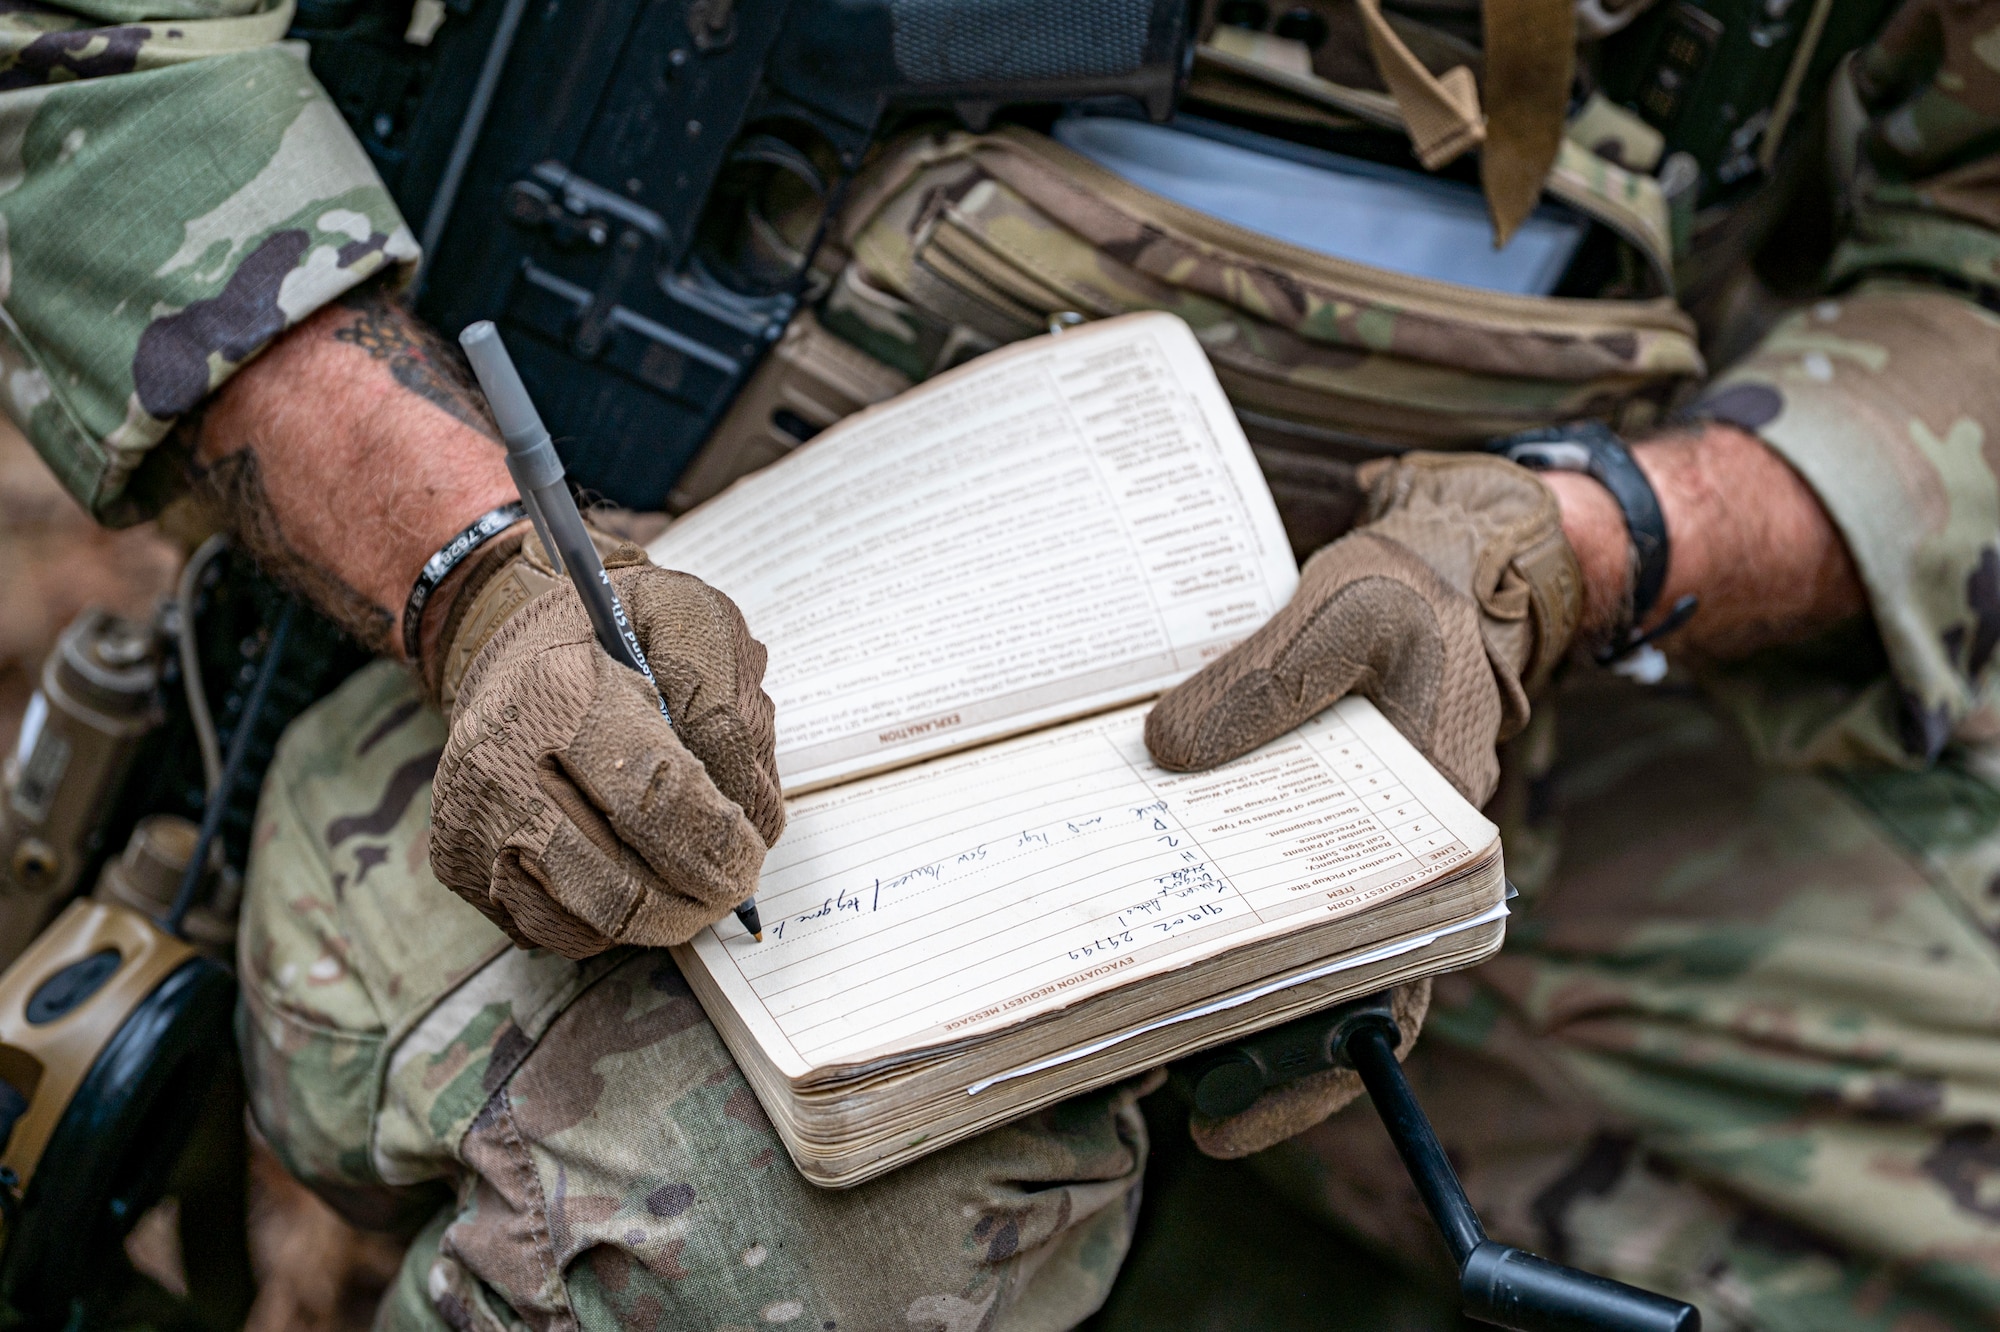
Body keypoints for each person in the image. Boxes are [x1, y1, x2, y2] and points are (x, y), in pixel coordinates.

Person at [2, 4, 1997, 1332]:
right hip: (609, 636)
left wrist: (1580, 554)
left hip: (1467, 689)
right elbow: (89, 56)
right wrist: (469, 572)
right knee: (784, 1217)